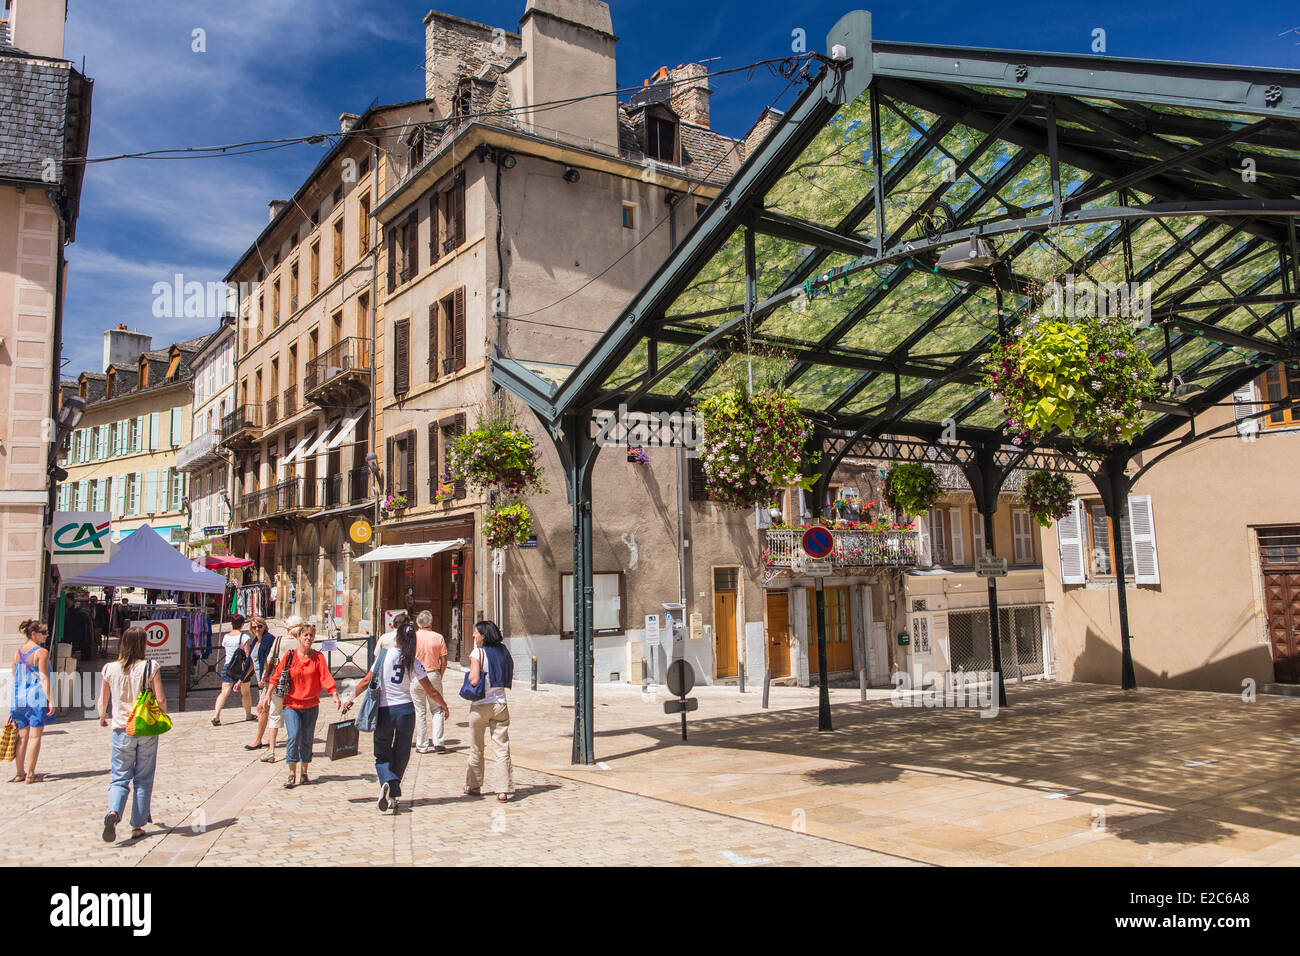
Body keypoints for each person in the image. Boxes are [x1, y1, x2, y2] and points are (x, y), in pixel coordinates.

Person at [343, 620, 450, 811]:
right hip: (406, 711)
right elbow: (430, 690)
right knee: (401, 752)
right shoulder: (414, 661)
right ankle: (393, 791)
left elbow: (367, 680)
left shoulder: (385, 656)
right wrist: (443, 705)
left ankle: (388, 780)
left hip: (385, 710)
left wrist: (351, 697)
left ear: (397, 638)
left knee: (382, 752)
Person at [98, 626, 167, 841]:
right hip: (144, 728)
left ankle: (113, 811)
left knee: (119, 777)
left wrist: (102, 716)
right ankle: (137, 825)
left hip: (121, 728)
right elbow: (161, 699)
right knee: (143, 778)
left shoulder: (109, 668)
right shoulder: (150, 666)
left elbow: (103, 699)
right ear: (143, 644)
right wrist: (163, 715)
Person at [264, 623, 341, 788]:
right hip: (291, 704)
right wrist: (267, 695)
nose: (308, 638)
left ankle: (304, 772)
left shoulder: (318, 657)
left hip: (311, 705)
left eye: (311, 635)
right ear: (298, 637)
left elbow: (325, 677)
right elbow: (276, 676)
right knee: (293, 736)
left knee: (307, 739)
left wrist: (333, 693)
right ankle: (291, 772)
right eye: (305, 635)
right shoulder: (290, 656)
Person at [463, 621, 515, 802]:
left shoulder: (478, 653)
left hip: (480, 705)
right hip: (500, 703)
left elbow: (475, 680)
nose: (473, 635)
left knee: (477, 747)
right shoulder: (503, 651)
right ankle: (503, 790)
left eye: (476, 633)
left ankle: (474, 785)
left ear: (483, 635)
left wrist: (469, 676)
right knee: (501, 747)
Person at [247, 615, 300, 760]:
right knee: (294, 714)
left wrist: (266, 681)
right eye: (254, 627)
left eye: (259, 626)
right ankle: (296, 748)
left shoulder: (276, 640)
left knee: (273, 714)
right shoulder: (302, 642)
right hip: (295, 684)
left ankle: (271, 749)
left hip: (278, 683)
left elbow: (269, 661)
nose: (256, 629)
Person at [9, 620, 55, 784]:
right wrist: (50, 699)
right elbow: (44, 677)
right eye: (44, 632)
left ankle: (19, 773)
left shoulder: (17, 653)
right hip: (36, 698)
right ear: (33, 634)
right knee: (35, 737)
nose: (46, 635)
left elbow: (15, 676)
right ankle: (30, 774)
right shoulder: (41, 652)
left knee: (22, 737)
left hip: (19, 698)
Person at [412, 611, 448, 753]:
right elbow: (444, 660)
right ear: (431, 622)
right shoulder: (438, 637)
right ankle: (438, 741)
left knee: (420, 710)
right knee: (437, 708)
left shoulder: (413, 637)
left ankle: (422, 745)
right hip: (433, 673)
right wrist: (440, 674)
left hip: (416, 676)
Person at [212, 613, 255, 725]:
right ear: (242, 624)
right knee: (245, 692)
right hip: (240, 668)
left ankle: (216, 715)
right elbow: (247, 654)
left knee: (224, 692)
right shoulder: (244, 637)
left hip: (228, 666)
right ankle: (248, 714)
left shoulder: (226, 637)